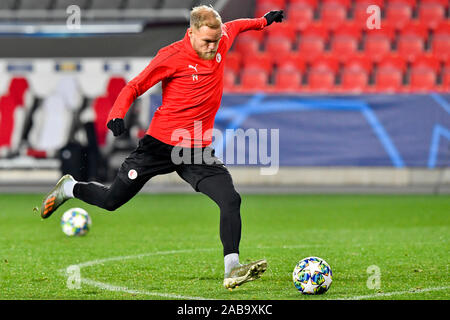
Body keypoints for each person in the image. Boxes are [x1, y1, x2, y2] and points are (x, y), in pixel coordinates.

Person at [37, 5, 284, 290]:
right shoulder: (171, 56)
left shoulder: (221, 37)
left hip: (197, 151)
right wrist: (116, 113)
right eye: (206, 41)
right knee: (111, 201)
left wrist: (263, 21)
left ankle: (232, 268)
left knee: (231, 200)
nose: (212, 47)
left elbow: (237, 25)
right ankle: (69, 188)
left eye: (216, 41)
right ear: (190, 34)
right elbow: (135, 86)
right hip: (159, 146)